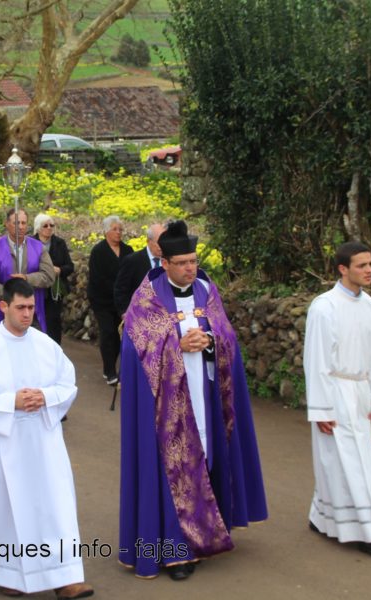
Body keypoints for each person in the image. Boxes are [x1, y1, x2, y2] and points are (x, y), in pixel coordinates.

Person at [119, 220, 267, 580]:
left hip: (204, 395)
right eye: (182, 262)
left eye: (193, 260)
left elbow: (227, 335)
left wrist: (212, 343)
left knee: (207, 459)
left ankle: (205, 535)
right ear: (164, 262)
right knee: (172, 473)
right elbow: (135, 345)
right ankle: (176, 550)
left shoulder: (205, 290)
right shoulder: (147, 297)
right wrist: (176, 345)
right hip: (166, 405)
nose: (190, 268)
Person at [0, 278, 94, 599]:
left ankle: (64, 576)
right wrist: (11, 402)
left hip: (43, 441)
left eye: (31, 307)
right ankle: (7, 573)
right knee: (5, 507)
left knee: (54, 504)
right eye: (20, 307)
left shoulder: (47, 345)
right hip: (3, 443)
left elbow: (67, 384)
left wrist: (46, 397)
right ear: (3, 306)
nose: (27, 314)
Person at [304, 241, 371, 555]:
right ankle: (370, 533)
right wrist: (321, 408)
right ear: (343, 269)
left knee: (345, 460)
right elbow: (315, 360)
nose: (369, 270)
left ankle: (321, 515)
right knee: (348, 461)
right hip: (334, 391)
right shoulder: (324, 306)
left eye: (370, 264)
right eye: (361, 265)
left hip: (359, 391)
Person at [0, 208, 55, 335]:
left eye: (23, 223)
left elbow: (49, 276)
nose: (20, 227)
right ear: (7, 224)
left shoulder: (39, 247)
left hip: (31, 314)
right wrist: (11, 296)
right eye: (16, 223)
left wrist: (27, 279)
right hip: (1, 313)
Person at [87, 215, 133, 385]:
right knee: (108, 333)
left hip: (121, 302)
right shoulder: (98, 251)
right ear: (106, 231)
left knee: (119, 335)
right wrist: (116, 288)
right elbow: (97, 278)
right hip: (102, 300)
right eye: (115, 229)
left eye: (120, 229)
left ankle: (113, 366)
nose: (118, 232)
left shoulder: (128, 250)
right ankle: (110, 370)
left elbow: (132, 275)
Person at [31, 213, 74, 345]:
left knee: (53, 322)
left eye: (51, 225)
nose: (49, 228)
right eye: (45, 225)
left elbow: (70, 266)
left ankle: (54, 350)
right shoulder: (30, 243)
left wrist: (59, 270)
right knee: (35, 321)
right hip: (36, 289)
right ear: (38, 228)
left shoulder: (60, 243)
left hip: (54, 292)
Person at [113, 223, 164, 315]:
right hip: (138, 316)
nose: (162, 246)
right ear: (148, 241)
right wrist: (125, 313)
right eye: (158, 243)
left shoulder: (170, 260)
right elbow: (121, 290)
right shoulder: (133, 261)